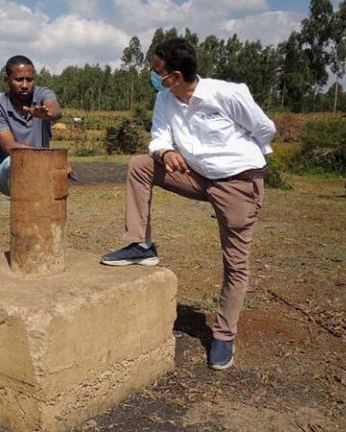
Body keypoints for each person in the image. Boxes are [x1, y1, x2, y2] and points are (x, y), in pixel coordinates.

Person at [100, 38, 276, 371]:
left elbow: (265, 129)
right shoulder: (165, 99)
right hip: (195, 175)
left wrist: (243, 164)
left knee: (235, 262)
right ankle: (140, 244)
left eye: (157, 71)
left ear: (175, 75)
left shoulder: (228, 94)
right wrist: (165, 152)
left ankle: (224, 335)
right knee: (141, 164)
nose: (153, 76)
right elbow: (159, 135)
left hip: (237, 183)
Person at [0, 55, 62, 196]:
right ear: (6, 79)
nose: (25, 85)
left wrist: (48, 114)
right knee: (15, 161)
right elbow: (11, 148)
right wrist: (52, 161)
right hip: (6, 172)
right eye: (19, 80)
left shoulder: (42, 94)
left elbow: (55, 109)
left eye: (29, 79)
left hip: (42, 169)